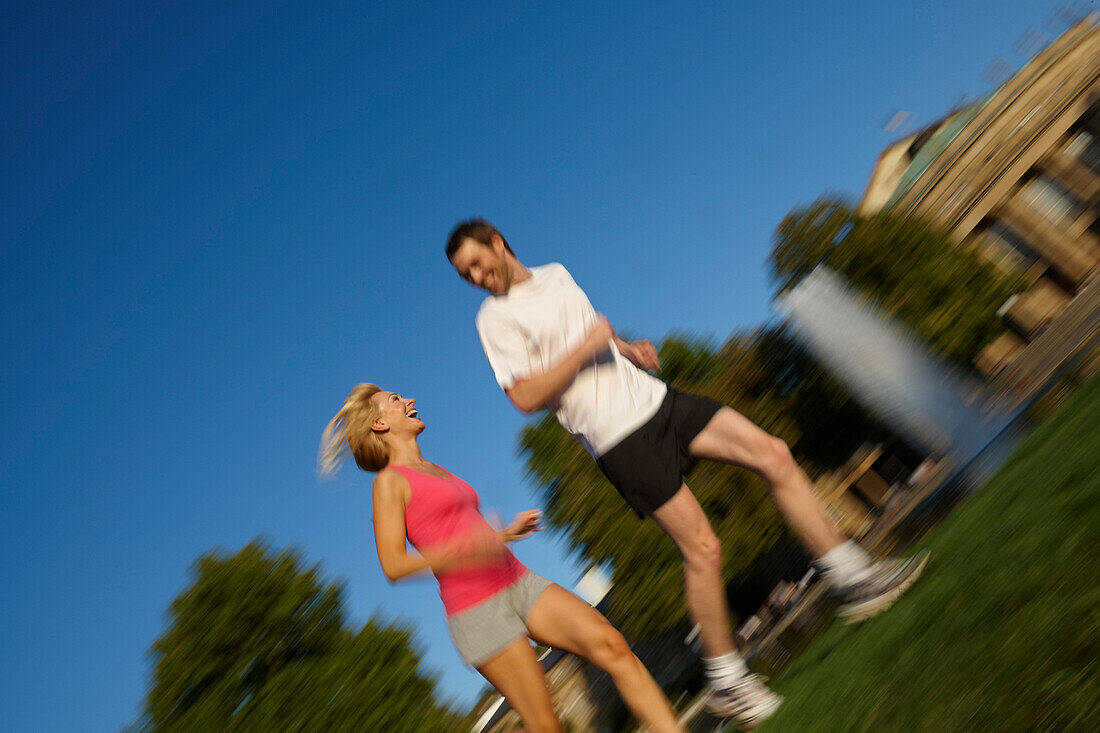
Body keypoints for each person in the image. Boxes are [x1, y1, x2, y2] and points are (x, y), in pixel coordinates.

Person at [446, 218, 929, 729]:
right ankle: (726, 680)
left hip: (657, 402)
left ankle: (851, 576)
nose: (476, 275)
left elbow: (594, 336)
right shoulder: (492, 321)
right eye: (465, 273)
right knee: (703, 548)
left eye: (477, 262)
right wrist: (586, 350)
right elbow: (524, 396)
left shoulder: (556, 275)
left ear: (498, 243)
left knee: (774, 454)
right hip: (618, 439)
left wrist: (626, 351)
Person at [318, 383, 686, 733]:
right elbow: (394, 566)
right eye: (395, 399)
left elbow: (466, 533)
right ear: (380, 423)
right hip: (477, 611)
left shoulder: (440, 471)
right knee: (546, 724)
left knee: (612, 645)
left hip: (517, 579)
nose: (408, 401)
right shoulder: (388, 483)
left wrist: (505, 534)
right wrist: (466, 548)